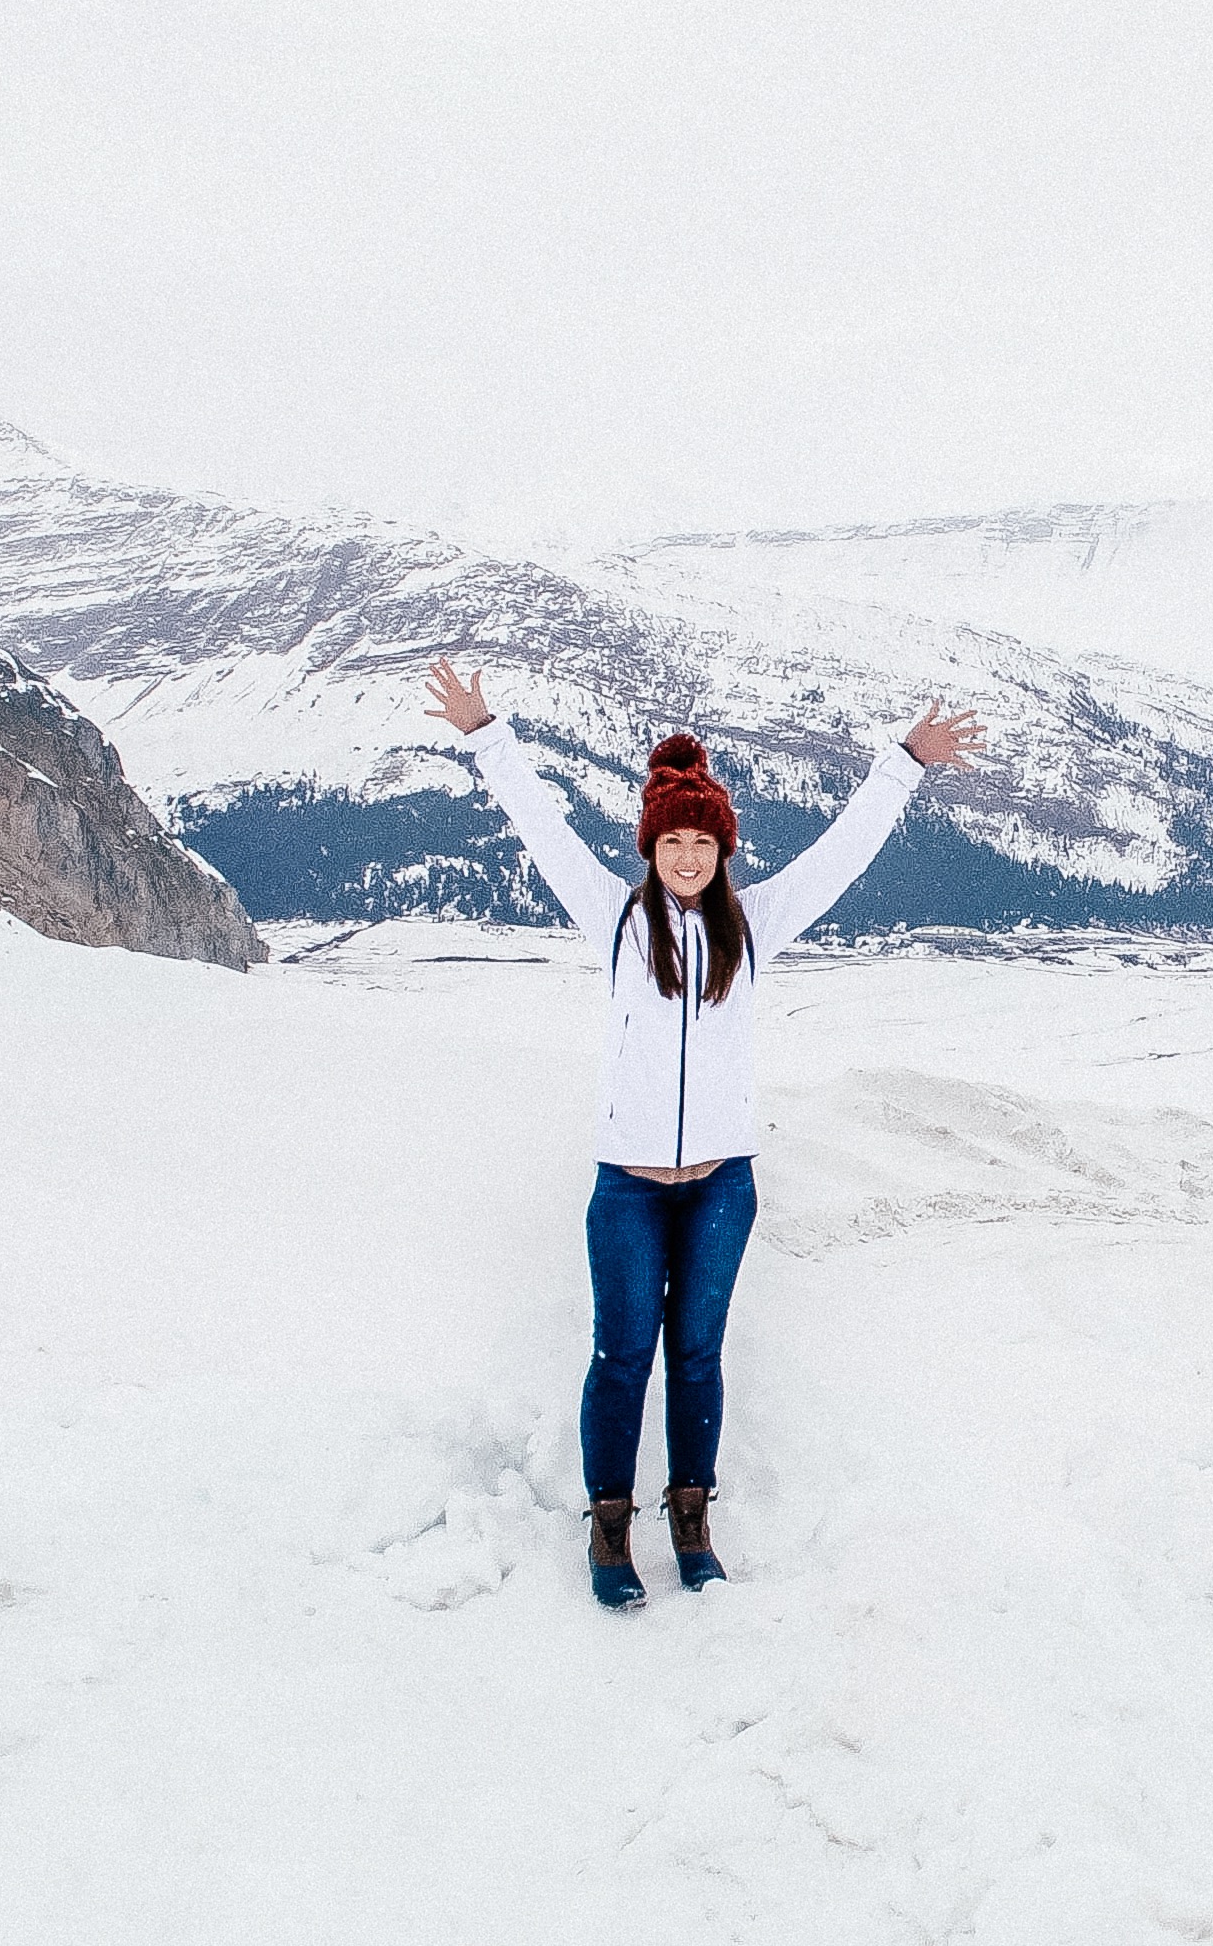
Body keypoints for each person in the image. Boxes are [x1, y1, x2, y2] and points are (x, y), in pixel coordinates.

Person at [419, 658, 986, 1608]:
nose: (687, 855)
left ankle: (691, 1518)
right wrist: (487, 736)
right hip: (630, 1186)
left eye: (702, 841)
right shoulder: (613, 919)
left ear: (724, 851)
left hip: (721, 1181)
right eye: (672, 839)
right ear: (651, 848)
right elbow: (542, 827)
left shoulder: (754, 926)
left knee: (696, 1353)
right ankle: (609, 1527)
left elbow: (840, 854)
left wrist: (904, 764)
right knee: (622, 1354)